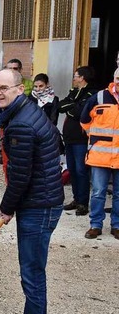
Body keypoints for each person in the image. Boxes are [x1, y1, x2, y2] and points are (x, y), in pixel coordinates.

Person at [0, 69, 64, 314]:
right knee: (35, 268)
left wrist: (6, 208)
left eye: (4, 88)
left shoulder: (21, 124)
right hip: (44, 199)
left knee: (32, 271)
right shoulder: (27, 112)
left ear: (19, 90)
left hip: (39, 204)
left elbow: (20, 176)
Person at [80, 67, 119, 240]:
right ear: (114, 78)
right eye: (118, 78)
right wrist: (95, 138)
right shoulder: (99, 97)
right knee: (98, 192)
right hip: (100, 156)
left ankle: (116, 225)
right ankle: (95, 225)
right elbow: (84, 120)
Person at [59, 66, 97, 216]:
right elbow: (61, 106)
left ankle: (83, 202)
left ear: (82, 77)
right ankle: (76, 198)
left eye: (75, 76)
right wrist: (74, 107)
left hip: (81, 138)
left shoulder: (91, 93)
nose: (74, 78)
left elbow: (81, 112)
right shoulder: (74, 92)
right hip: (68, 137)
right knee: (73, 170)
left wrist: (73, 108)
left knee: (81, 171)